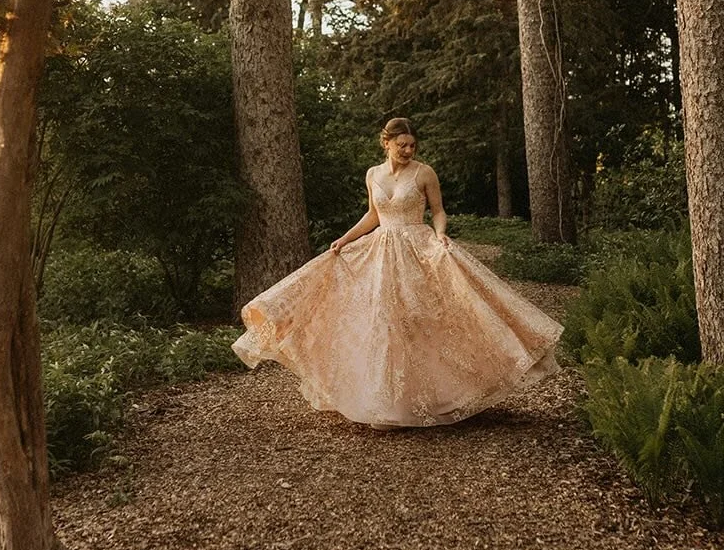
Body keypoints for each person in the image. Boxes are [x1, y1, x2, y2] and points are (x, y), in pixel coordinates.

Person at [231, 117, 563, 429]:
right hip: (380, 251)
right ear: (386, 143)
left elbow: (438, 210)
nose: (408, 151)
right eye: (401, 145)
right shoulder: (373, 174)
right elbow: (373, 215)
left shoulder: (424, 173)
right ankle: (386, 403)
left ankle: (435, 396)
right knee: (383, 320)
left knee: (419, 320)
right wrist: (345, 239)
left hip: (415, 248)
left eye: (412, 146)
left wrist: (441, 234)